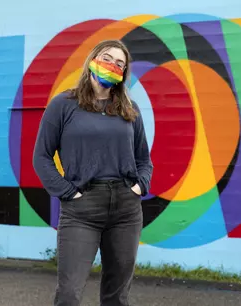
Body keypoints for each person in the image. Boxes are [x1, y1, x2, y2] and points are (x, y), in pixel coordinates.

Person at [33, 39, 153, 306]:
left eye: (120, 64)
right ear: (92, 60)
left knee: (117, 296)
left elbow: (144, 159)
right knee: (68, 294)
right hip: (82, 208)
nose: (113, 65)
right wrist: (67, 193)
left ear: (124, 73)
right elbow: (41, 157)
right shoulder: (64, 105)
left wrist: (139, 186)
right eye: (107, 58)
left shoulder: (129, 109)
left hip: (125, 209)